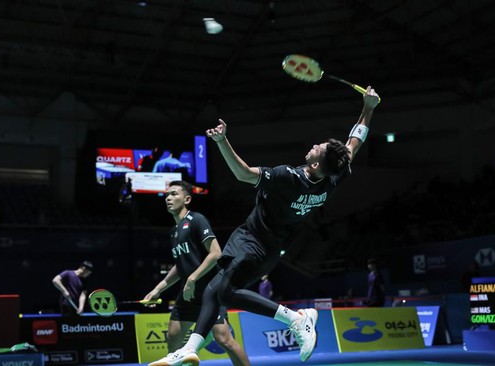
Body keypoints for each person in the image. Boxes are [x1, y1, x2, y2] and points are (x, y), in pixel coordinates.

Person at [150, 86, 380, 366]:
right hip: (266, 241)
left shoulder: (289, 177)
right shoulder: (333, 176)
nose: (313, 146)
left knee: (225, 291)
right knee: (213, 289)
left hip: (256, 241)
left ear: (317, 161)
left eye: (317, 147)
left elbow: (244, 174)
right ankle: (191, 348)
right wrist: (368, 108)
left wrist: (222, 141)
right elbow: (354, 143)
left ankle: (296, 318)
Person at [143, 181, 250, 366]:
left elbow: (216, 252)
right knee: (173, 336)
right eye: (167, 195)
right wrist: (158, 289)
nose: (168, 198)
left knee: (224, 339)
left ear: (187, 199)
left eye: (174, 194)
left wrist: (192, 278)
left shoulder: (196, 220)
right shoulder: (174, 232)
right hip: (188, 294)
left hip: (209, 291)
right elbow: (180, 265)